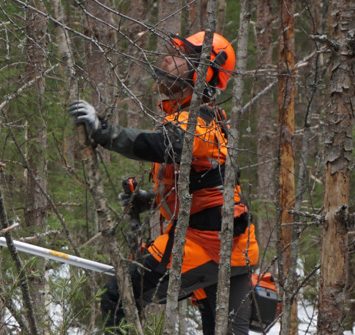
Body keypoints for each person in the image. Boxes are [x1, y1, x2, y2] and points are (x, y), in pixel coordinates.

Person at [68, 32, 259, 335]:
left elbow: (163, 145)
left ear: (202, 71)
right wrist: (147, 199)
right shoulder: (200, 120)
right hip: (234, 248)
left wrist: (103, 131)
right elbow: (202, 186)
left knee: (120, 297)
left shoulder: (198, 122)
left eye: (180, 56)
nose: (167, 59)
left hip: (206, 245)